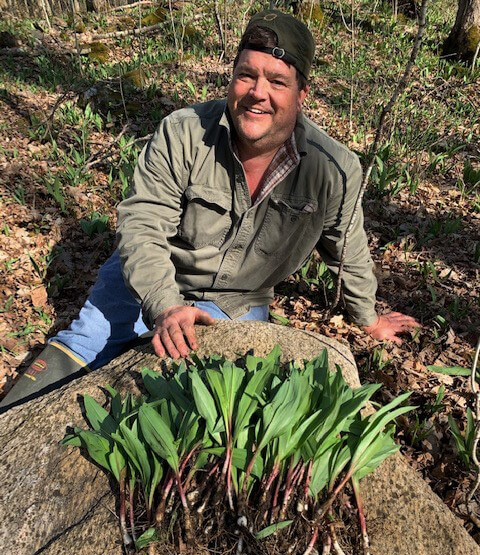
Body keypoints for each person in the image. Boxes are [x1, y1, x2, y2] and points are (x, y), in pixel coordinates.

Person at [0, 9, 419, 412]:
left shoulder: (334, 170)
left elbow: (347, 250)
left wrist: (368, 320)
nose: (258, 93)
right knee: (87, 341)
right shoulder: (183, 132)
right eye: (246, 75)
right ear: (232, 78)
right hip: (149, 277)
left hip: (237, 303)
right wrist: (164, 305)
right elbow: (142, 225)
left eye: (277, 81)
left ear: (301, 93)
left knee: (195, 392)